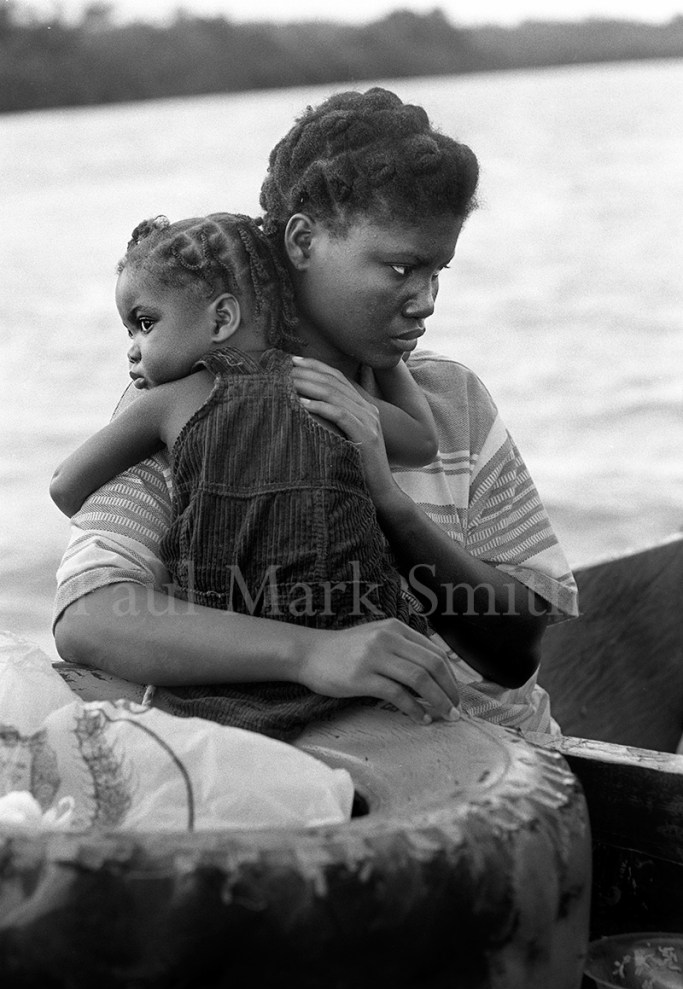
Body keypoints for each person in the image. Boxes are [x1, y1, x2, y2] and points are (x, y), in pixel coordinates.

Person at [53, 86, 578, 737]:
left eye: (439, 271)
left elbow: (514, 653)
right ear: (301, 240)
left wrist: (386, 498)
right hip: (293, 767)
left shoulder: (452, 400)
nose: (426, 299)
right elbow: (89, 616)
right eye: (398, 267)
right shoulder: (197, 404)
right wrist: (311, 652)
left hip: (504, 765)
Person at [50, 211, 452, 740]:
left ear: (220, 321)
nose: (132, 347)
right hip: (366, 632)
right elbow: (423, 443)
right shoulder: (328, 389)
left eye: (145, 323)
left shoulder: (166, 403)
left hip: (238, 655)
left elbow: (64, 486)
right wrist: (382, 358)